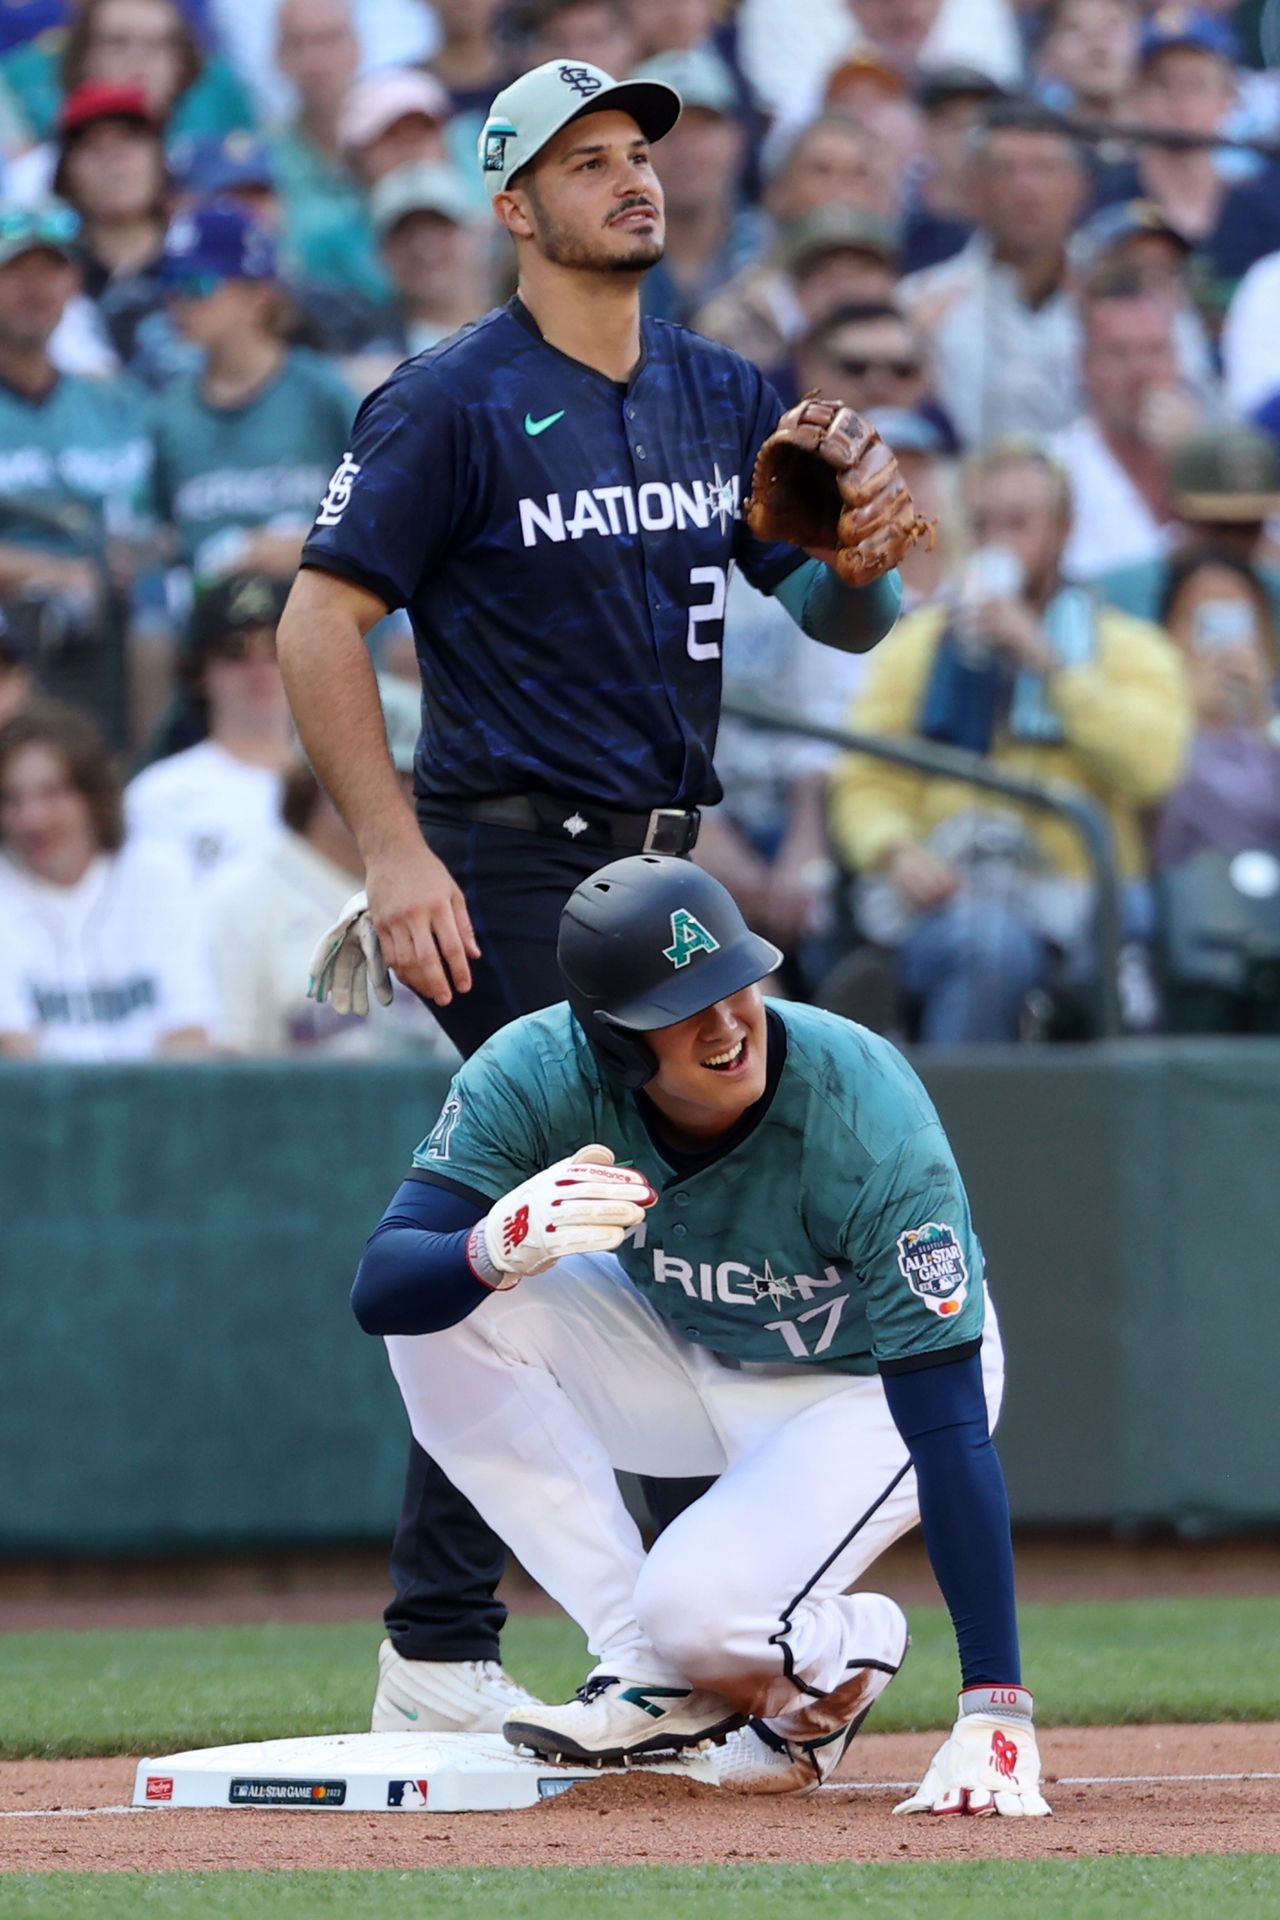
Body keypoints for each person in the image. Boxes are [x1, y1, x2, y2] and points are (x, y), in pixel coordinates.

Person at [278, 58, 910, 1736]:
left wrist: (866, 567)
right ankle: (632, 1634)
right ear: (513, 206)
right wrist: (392, 850)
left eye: (638, 152)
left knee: (571, 1244)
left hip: (659, 856)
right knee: (600, 1215)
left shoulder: (719, 390)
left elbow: (842, 624)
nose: (629, 178)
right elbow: (316, 624)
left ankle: (455, 1642)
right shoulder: (451, 400)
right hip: (504, 849)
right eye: (583, 159)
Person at [352, 854, 1051, 1814]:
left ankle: (837, 1656)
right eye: (680, 1005)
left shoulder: (865, 1111)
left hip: (861, 1388)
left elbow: (948, 1428)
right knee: (451, 1309)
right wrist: (496, 1244)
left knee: (699, 1614)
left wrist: (995, 1713)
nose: (725, 1023)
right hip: (689, 1347)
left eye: (734, 981)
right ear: (610, 1038)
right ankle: (640, 1667)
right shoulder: (536, 1069)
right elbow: (384, 1285)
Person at [828, 443, 1190, 1044]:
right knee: (987, 941)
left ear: (1064, 530)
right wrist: (894, 850)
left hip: (1084, 895)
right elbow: (864, 780)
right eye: (984, 523)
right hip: (955, 889)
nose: (999, 541)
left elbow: (1153, 768)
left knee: (1126, 936)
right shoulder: (919, 647)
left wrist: (1050, 666)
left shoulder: (1127, 647)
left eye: (1019, 524)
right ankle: (957, 1127)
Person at [208, 673, 451, 1056]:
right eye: (375, 774)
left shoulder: (449, 886)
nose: (395, 796)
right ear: (315, 776)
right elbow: (226, 1070)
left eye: (409, 778)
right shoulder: (241, 896)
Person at [0, 201, 153, 744]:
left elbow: (169, 515)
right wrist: (50, 571)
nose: (35, 289)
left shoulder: (118, 401)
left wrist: (140, 552)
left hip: (119, 628)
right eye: (15, 272)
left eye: (52, 270)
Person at [150, 198, 355, 585]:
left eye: (198, 284)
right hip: (212, 635)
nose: (179, 302)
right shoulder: (168, 413)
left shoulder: (322, 395)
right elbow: (158, 541)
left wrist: (294, 549)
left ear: (258, 293)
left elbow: (384, 516)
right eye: (170, 284)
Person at [0, 698, 213, 1059]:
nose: (31, 819)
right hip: (38, 1110)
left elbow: (190, 1031)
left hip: (155, 1106)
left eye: (52, 794)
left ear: (92, 796)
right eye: (11, 799)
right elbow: (14, 1051)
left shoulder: (158, 876)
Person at [898, 98, 1088, 449]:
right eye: (1006, 169)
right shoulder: (918, 304)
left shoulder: (1124, 299)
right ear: (974, 190)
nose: (1026, 188)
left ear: (1078, 188)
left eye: (1044, 168)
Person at [125, 570, 292, 880]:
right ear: (201, 671)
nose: (259, 668)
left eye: (276, 647)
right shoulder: (160, 794)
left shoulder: (340, 787)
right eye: (235, 651)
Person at [1052, 273, 1203, 580]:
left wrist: (1191, 465)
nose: (1140, 371)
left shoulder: (1217, 460)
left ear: (1178, 360)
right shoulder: (1055, 469)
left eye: (1154, 350)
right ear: (1084, 367)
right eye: (1118, 353)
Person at [1153, 549, 1280, 872]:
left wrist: (1264, 721)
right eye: (1204, 622)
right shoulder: (1145, 715)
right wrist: (1192, 720)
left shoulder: (1273, 718)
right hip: (1182, 904)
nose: (1225, 646)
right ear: (1168, 632)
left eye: (1236, 620)